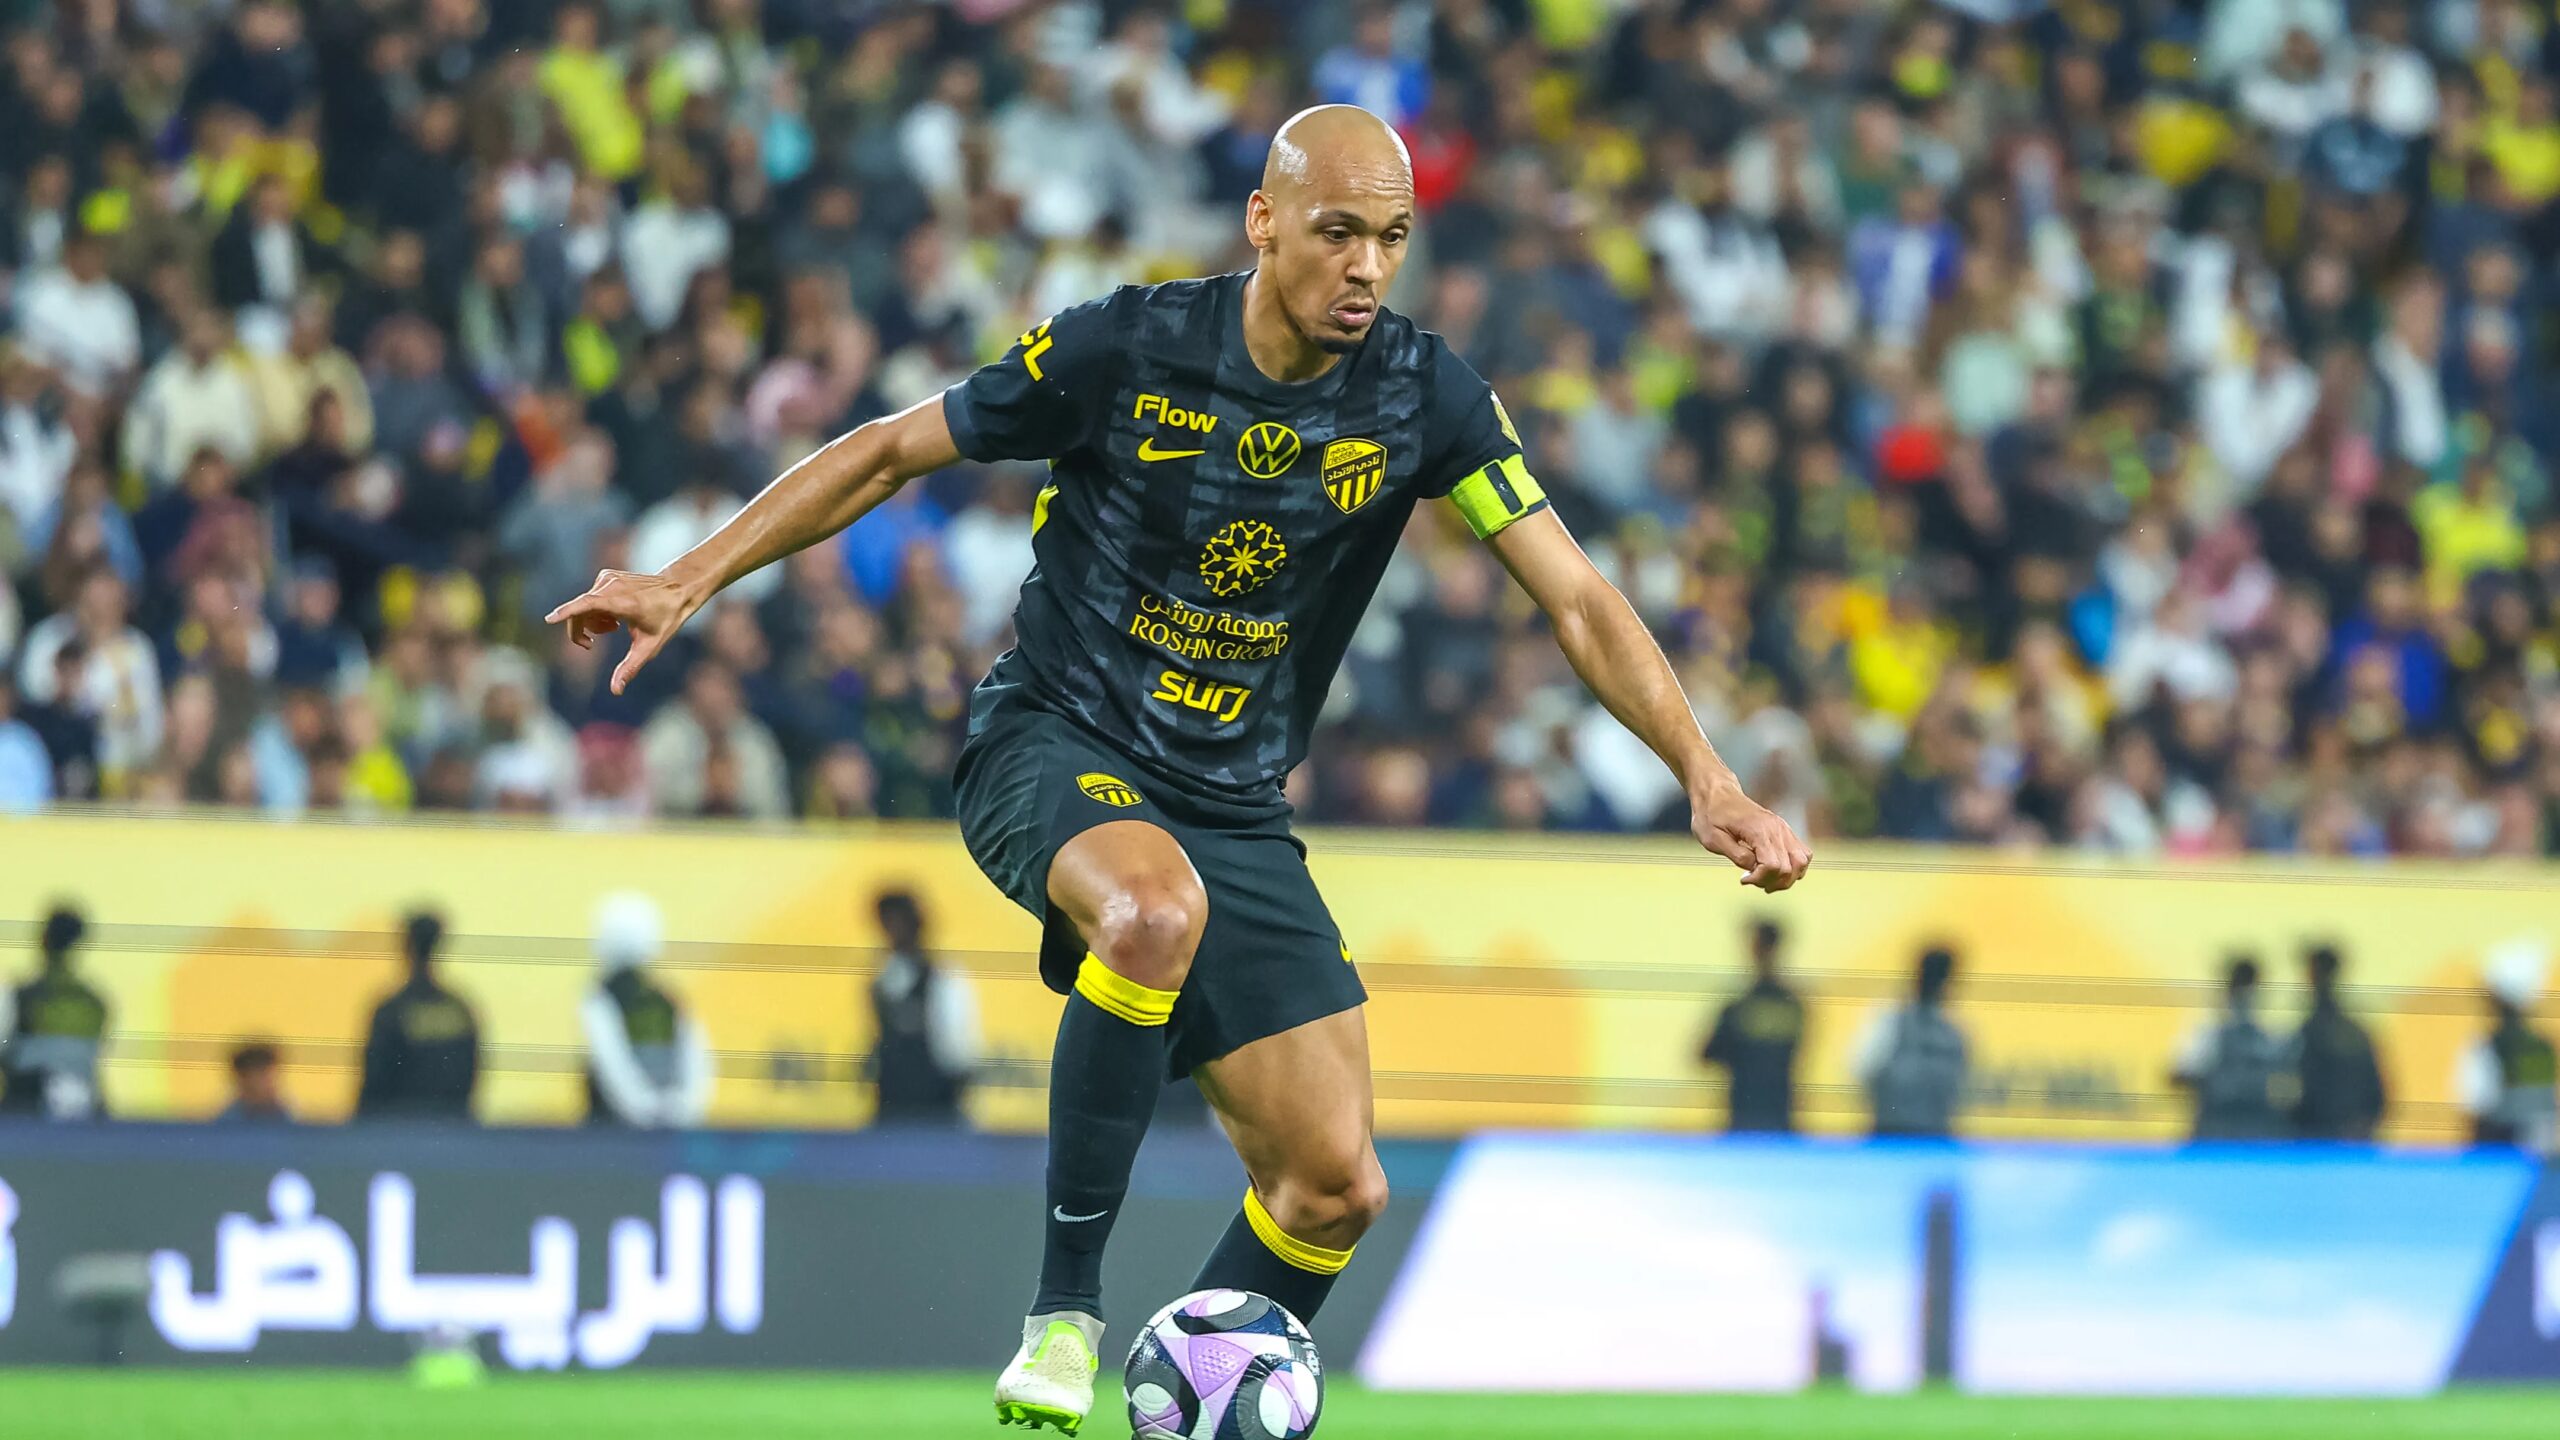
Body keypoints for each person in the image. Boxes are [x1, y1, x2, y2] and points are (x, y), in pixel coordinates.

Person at [546, 103, 1809, 1433]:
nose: (1367, 269)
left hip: (1234, 803)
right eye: (1337, 233)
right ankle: (1063, 1323)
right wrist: (688, 578)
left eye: (1391, 239)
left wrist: (1706, 776)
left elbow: (1578, 598)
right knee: (1150, 911)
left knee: (1334, 1187)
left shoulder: (1422, 395)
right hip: (1055, 742)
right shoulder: (1127, 347)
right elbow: (888, 451)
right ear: (1263, 221)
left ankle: (1189, 1409)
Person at [582, 891, 713, 1128]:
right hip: (663, 1126)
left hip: (615, 1131)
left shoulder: (601, 998)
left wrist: (645, 1109)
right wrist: (683, 1108)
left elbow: (612, 1062)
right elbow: (697, 1061)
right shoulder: (666, 997)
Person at [866, 888, 984, 1127]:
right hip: (892, 1103)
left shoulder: (943, 976)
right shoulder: (882, 977)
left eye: (898, 922)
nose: (892, 930)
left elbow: (961, 1048)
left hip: (937, 1103)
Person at [354, 911, 482, 1122]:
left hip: (396, 1129)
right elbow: (471, 1073)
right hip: (450, 1128)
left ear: (406, 946)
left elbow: (375, 1079)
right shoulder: (458, 1009)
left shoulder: (392, 1010)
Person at [0, 907, 109, 1119]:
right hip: (82, 1114)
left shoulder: (21, 998)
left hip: (25, 1112)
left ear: (44, 941)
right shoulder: (93, 1003)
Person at [1699, 918, 1805, 1134]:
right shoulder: (1793, 1003)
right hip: (1777, 1113)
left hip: (1745, 1114)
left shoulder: (1740, 1003)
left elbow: (1707, 1054)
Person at [1854, 945, 1968, 1139]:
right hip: (1890, 1133)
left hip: (1936, 1134)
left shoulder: (1955, 1028)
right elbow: (1861, 1068)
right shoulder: (1890, 1018)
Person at [2170, 955, 2286, 1142]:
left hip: (2255, 1131)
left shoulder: (2267, 1034)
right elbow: (2178, 1075)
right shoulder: (2208, 1030)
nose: (2246, 994)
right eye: (2242, 986)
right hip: (2216, 1129)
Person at [2457, 939, 2556, 1154]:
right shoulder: (2543, 1046)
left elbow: (2472, 1101)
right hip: (2540, 1154)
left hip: (2498, 1154)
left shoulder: (2487, 1045)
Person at [2286, 943, 2386, 1141]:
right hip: (2353, 1141)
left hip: (2316, 1141)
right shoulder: (2356, 1031)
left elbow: (2299, 1094)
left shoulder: (2308, 1033)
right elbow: (2378, 1095)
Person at [216, 1042, 293, 1123]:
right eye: (263, 1077)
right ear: (243, 1080)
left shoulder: (290, 1122)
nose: (272, 1085)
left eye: (274, 1078)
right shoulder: (224, 1125)